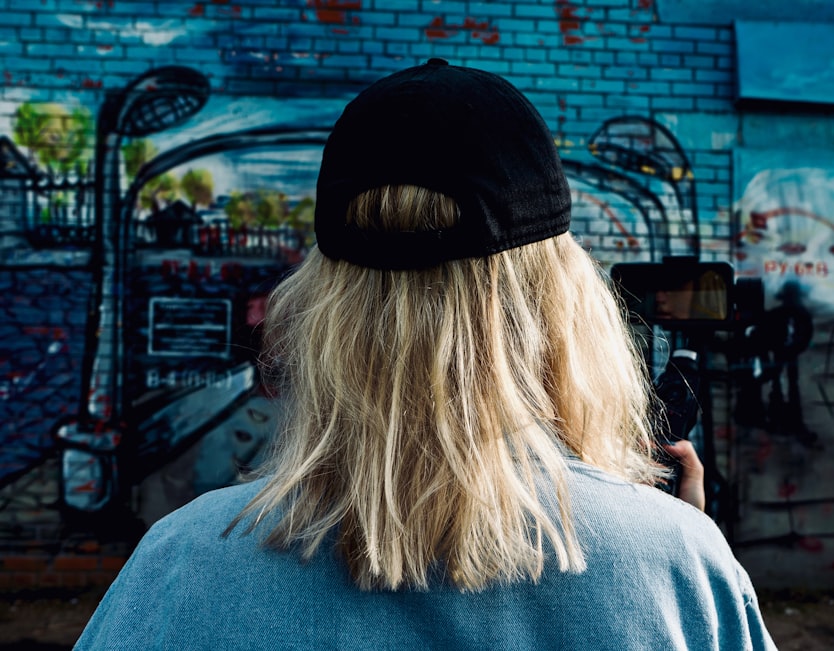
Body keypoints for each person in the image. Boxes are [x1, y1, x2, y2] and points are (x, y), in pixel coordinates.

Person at [75, 59, 776, 650]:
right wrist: (673, 539)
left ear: (323, 311)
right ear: (563, 304)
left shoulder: (180, 567)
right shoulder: (679, 567)